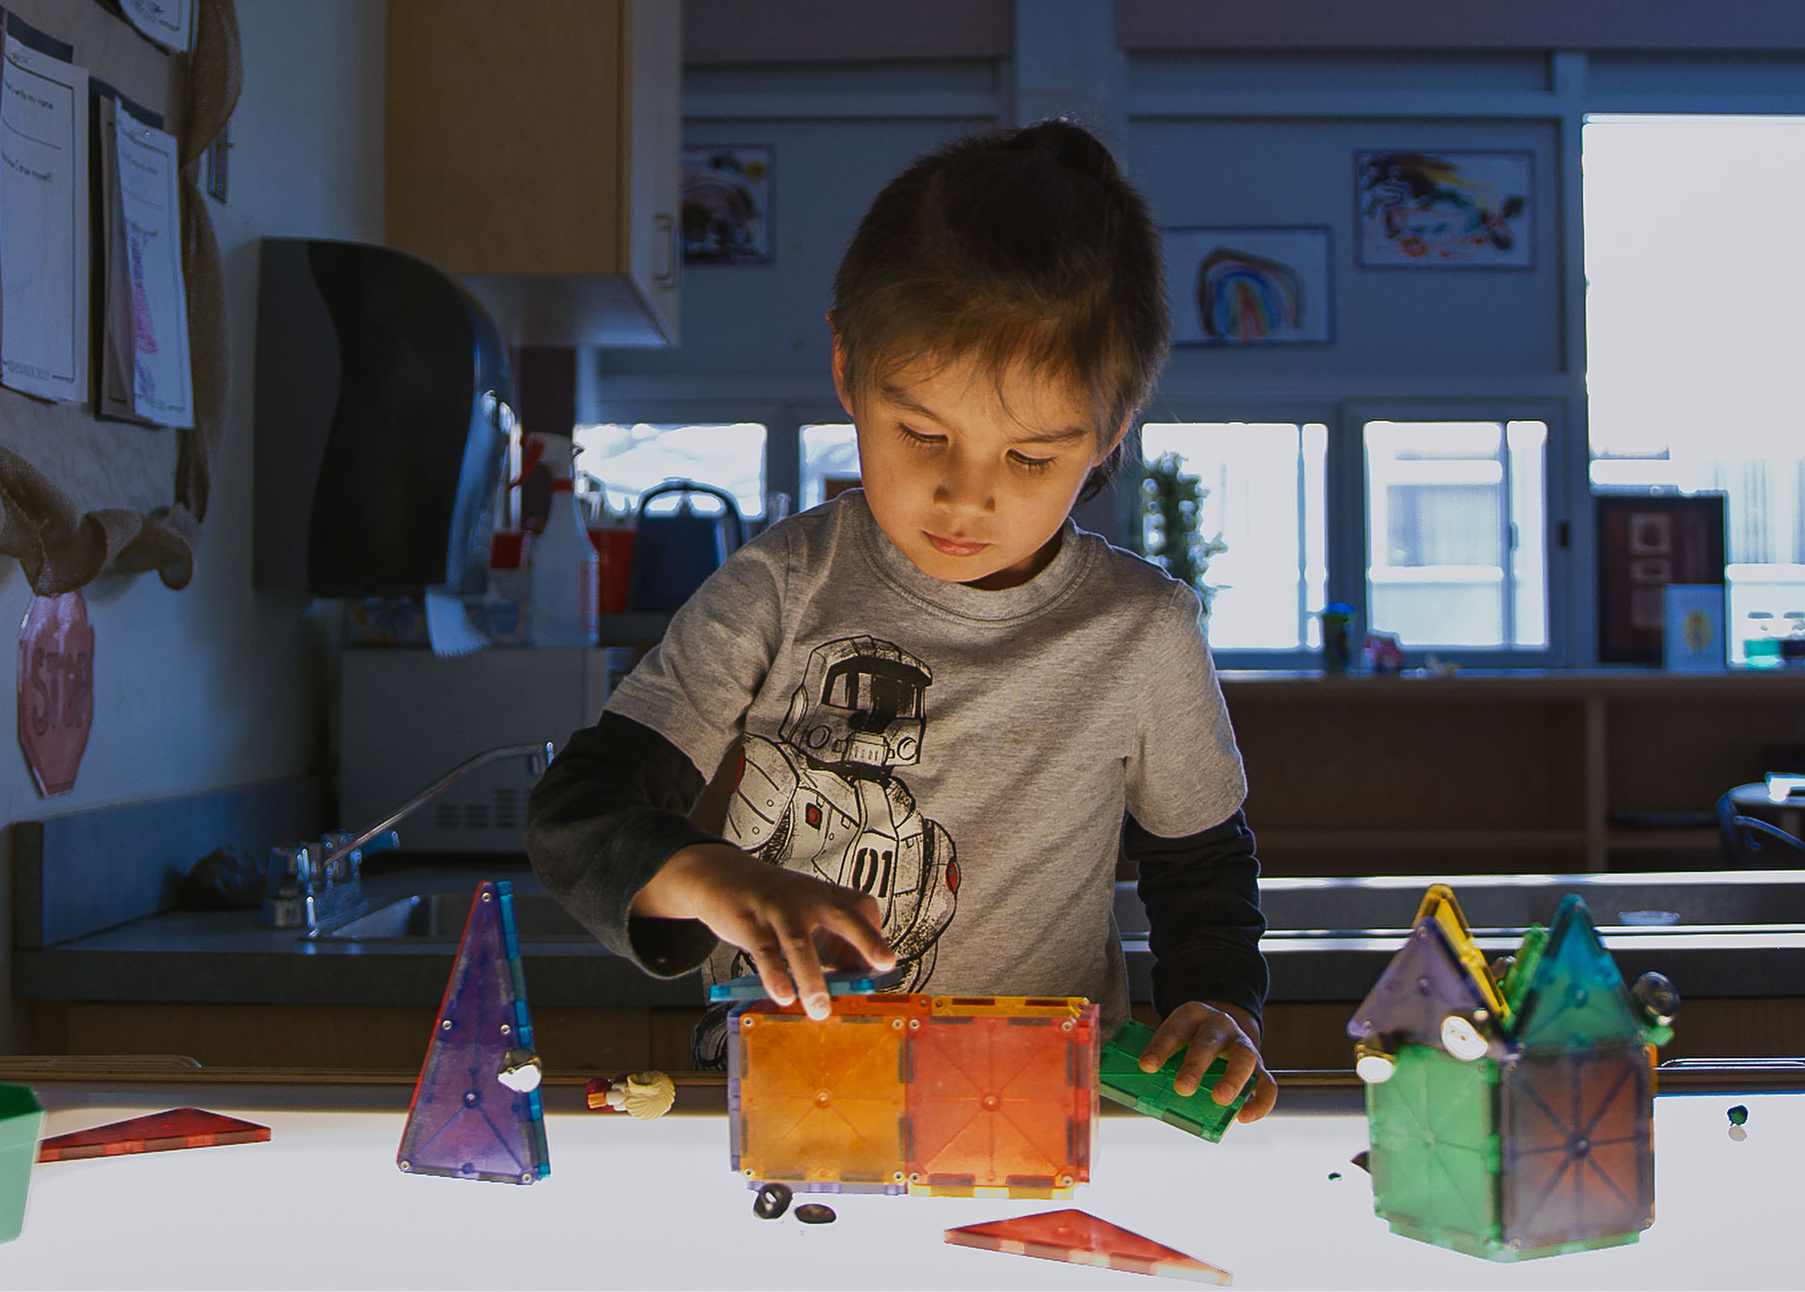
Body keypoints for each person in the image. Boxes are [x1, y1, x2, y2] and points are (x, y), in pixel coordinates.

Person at [527, 120, 1274, 1121]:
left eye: (1031, 458)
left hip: (1031, 1113)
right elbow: (579, 812)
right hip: (793, 1105)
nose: (965, 497)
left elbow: (1202, 868)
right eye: (922, 433)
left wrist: (1216, 1007)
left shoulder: (1143, 631)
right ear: (847, 372)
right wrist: (711, 880)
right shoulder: (780, 588)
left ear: (1108, 436)